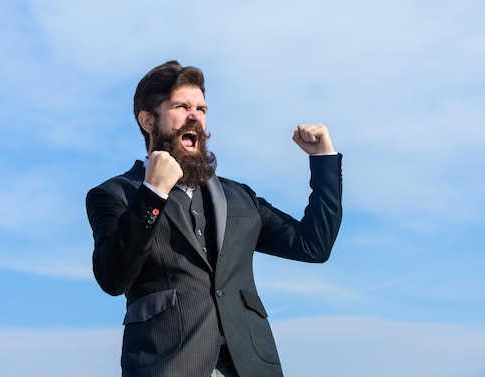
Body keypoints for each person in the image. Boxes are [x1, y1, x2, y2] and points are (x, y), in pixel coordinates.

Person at [86, 60, 343, 377]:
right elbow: (113, 277)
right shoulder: (116, 194)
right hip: (170, 365)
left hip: (250, 366)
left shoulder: (240, 198)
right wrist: (152, 192)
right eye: (181, 106)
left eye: (201, 109)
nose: (195, 116)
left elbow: (313, 245)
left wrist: (323, 162)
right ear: (148, 120)